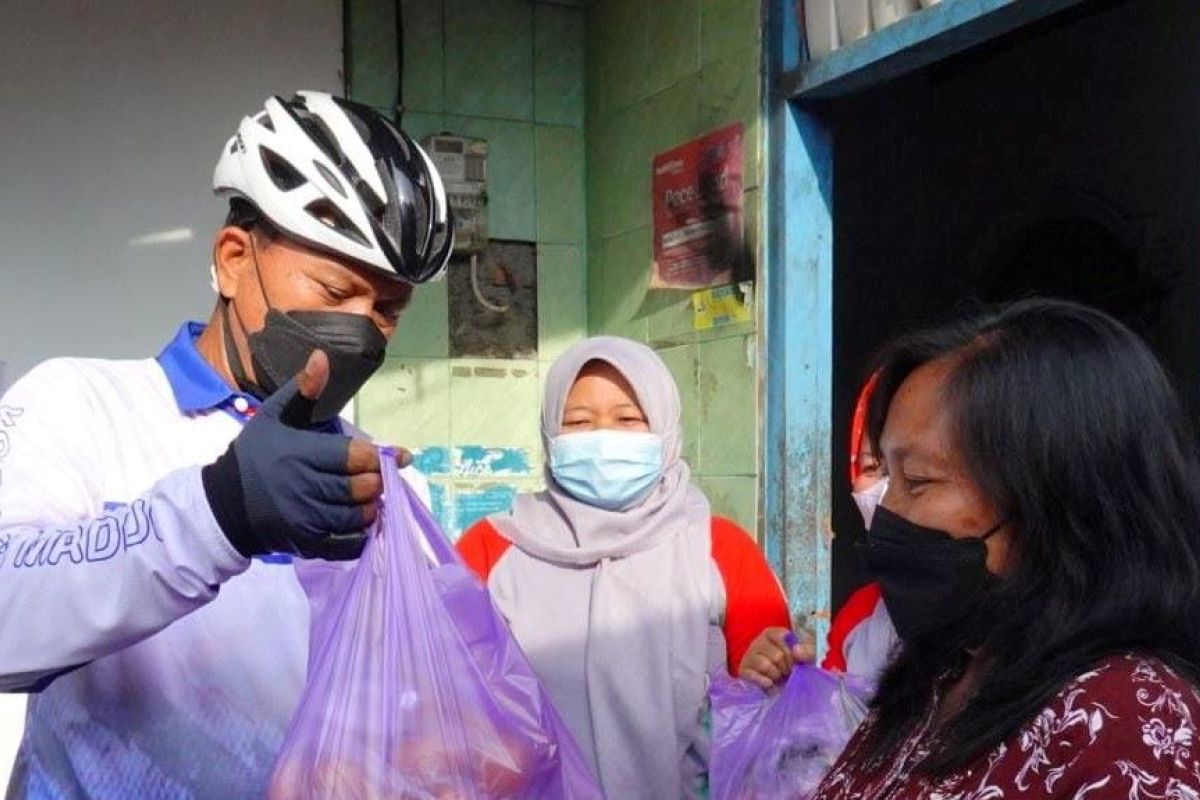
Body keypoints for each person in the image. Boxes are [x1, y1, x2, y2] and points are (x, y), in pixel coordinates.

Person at [0, 91, 453, 797]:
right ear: (235, 259)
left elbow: (414, 712)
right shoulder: (80, 407)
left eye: (389, 309)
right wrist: (220, 513)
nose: (364, 331)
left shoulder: (375, 478)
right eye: (336, 290)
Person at [813, 299, 1200, 799]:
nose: (887, 512)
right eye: (886, 476)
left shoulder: (1130, 724)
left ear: (1052, 502)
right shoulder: (940, 674)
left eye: (917, 480)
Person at [456, 336, 791, 800]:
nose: (603, 437)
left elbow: (768, 708)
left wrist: (774, 666)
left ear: (666, 428)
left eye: (628, 419)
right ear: (550, 433)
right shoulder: (492, 548)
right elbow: (446, 696)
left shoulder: (719, 548)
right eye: (578, 422)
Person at [821, 373, 900, 683]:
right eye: (872, 468)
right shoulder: (860, 613)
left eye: (916, 473)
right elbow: (826, 721)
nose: (890, 491)